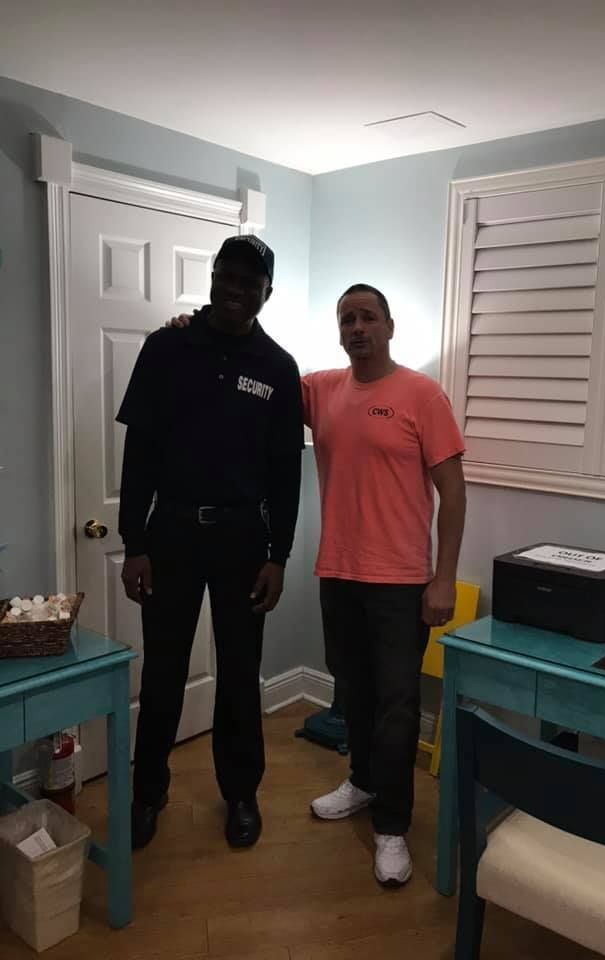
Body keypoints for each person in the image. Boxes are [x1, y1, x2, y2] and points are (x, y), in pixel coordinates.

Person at [169, 282, 466, 886]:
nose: (357, 327)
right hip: (338, 571)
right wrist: (197, 329)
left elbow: (454, 494)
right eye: (347, 318)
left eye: (368, 317)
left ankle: (392, 827)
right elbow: (260, 374)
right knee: (353, 693)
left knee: (397, 707)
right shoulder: (322, 389)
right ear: (339, 330)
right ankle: (361, 782)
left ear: (389, 325)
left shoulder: (422, 395)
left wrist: (444, 580)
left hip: (402, 580)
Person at [118, 235, 304, 852]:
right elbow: (139, 452)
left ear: (266, 293)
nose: (235, 289)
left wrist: (279, 555)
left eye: (250, 282)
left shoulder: (278, 368)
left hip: (242, 541)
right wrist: (133, 542)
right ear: (213, 277)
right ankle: (148, 793)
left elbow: (285, 474)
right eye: (227, 276)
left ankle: (241, 793)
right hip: (170, 534)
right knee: (164, 670)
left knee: (240, 672)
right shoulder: (166, 347)